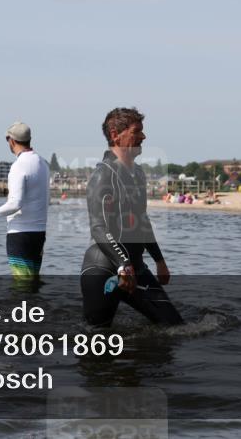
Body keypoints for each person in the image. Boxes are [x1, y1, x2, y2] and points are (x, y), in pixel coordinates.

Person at [80, 107, 183, 328]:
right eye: (137, 131)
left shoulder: (137, 174)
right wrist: (123, 264)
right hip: (104, 268)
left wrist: (159, 260)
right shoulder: (102, 175)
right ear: (116, 134)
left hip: (134, 267)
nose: (143, 137)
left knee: (175, 326)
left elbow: (142, 221)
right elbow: (98, 228)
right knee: (98, 341)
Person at [0, 122, 50, 279]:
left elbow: (15, 204)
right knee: (32, 282)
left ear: (11, 140)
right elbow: (47, 199)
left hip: (20, 234)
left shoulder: (19, 165)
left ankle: (23, 305)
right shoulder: (43, 163)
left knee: (21, 284)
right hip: (39, 233)